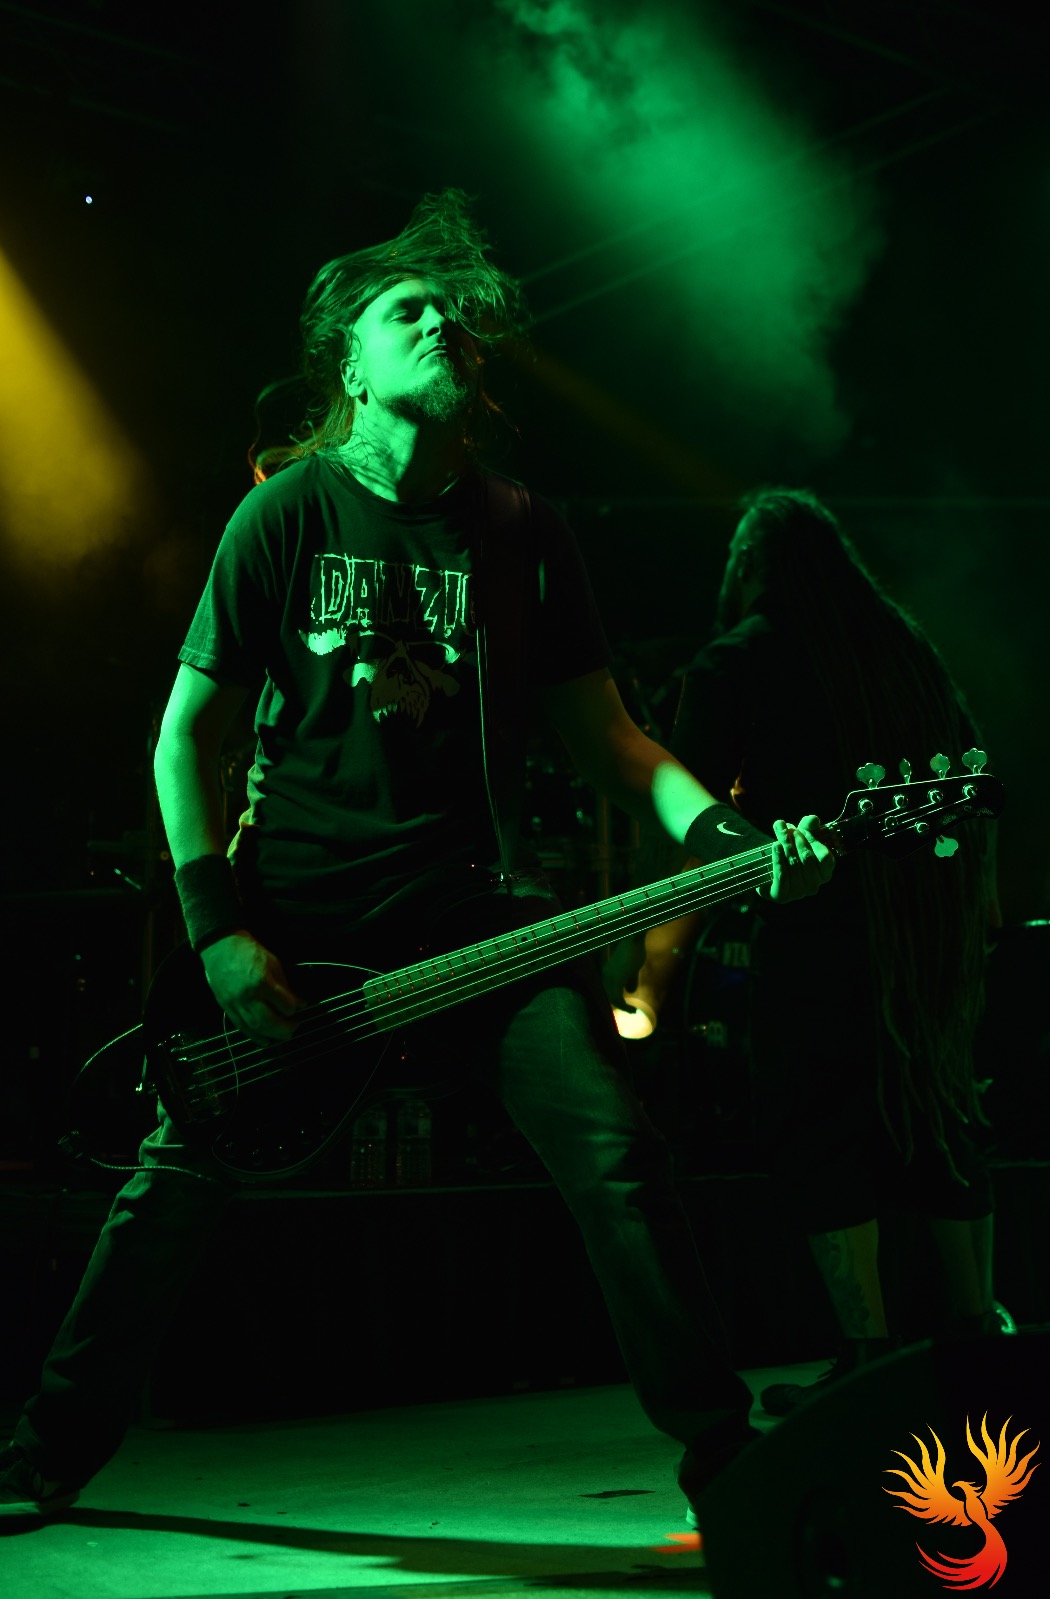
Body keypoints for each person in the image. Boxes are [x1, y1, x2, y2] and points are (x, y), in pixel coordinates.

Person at [0, 194, 835, 1530]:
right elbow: (183, 739)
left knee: (615, 1153)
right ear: (351, 360)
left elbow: (613, 739)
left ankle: (728, 1462)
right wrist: (217, 930)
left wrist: (728, 842)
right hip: (299, 928)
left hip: (482, 924)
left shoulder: (523, 531)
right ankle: (42, 1453)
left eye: (455, 314)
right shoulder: (282, 517)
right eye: (408, 310)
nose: (442, 322)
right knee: (179, 1182)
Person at [607, 487, 1000, 1412]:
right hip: (927, 943)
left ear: (749, 565)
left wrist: (649, 967)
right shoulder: (906, 648)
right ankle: (976, 1332)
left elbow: (684, 819)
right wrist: (979, 909)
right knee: (938, 1117)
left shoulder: (737, 659)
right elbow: (973, 787)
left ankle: (866, 1354)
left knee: (815, 1124)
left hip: (815, 933)